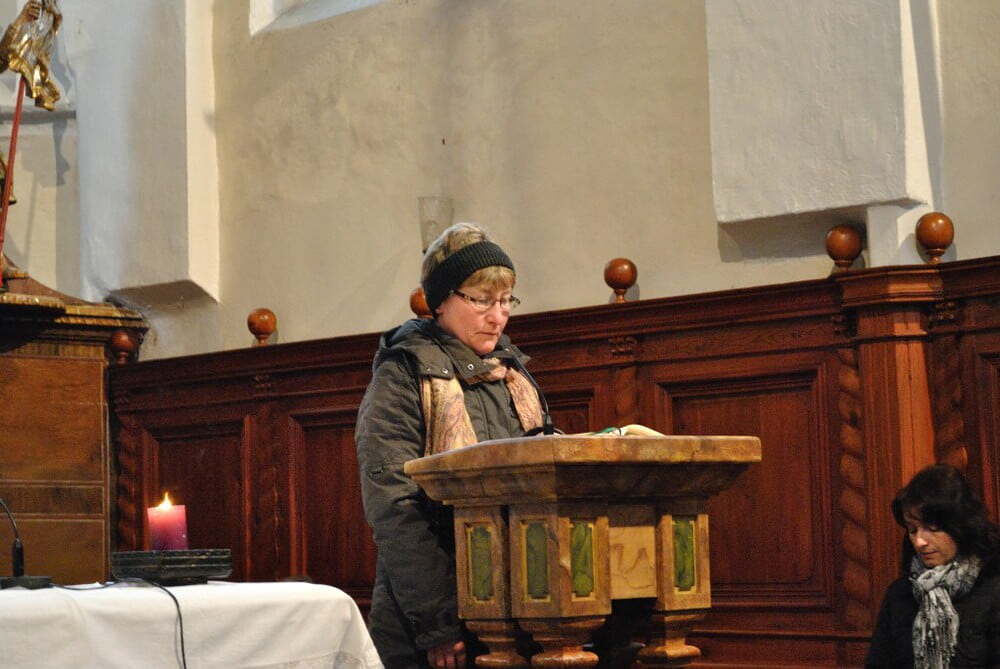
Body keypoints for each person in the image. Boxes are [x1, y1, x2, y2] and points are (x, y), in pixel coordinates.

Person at [355, 223, 543, 668]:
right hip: (431, 620)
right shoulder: (403, 374)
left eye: (505, 300)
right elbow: (395, 505)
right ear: (441, 301)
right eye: (481, 300)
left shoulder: (511, 372)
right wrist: (437, 623)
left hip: (517, 608)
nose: (497, 316)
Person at [867, 464, 1000, 668]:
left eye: (932, 528)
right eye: (913, 530)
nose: (920, 541)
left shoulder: (993, 590)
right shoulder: (900, 594)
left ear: (960, 525)